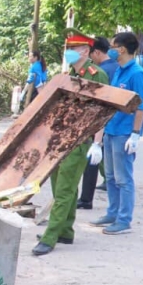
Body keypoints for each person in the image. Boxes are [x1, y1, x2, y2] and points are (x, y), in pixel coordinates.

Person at [32, 30, 110, 256]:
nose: (68, 53)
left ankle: (50, 237)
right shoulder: (68, 74)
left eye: (72, 50)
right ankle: (66, 230)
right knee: (59, 185)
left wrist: (97, 142)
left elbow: (102, 111)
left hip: (80, 139)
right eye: (67, 50)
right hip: (62, 138)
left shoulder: (97, 74)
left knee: (65, 188)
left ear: (85, 50)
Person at [90, 32, 143, 235]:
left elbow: (141, 106)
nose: (111, 49)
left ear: (121, 49)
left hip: (124, 132)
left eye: (113, 46)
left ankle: (124, 220)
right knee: (111, 176)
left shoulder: (137, 73)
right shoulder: (119, 71)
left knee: (124, 178)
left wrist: (135, 134)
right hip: (112, 129)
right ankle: (112, 213)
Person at [78, 37, 121, 209]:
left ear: (95, 52)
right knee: (107, 165)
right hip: (115, 122)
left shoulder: (99, 71)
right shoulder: (117, 67)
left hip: (101, 122)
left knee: (92, 160)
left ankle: (86, 199)